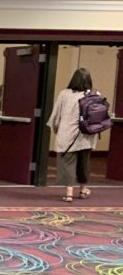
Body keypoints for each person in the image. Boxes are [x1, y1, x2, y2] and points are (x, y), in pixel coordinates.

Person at [47, 66, 96, 202]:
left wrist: (56, 129)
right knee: (83, 164)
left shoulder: (64, 94)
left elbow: (56, 116)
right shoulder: (94, 94)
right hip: (86, 136)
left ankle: (69, 193)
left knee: (67, 163)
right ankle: (82, 190)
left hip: (67, 134)